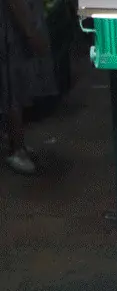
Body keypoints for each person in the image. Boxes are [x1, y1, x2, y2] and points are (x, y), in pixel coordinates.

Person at [2, 0, 57, 174]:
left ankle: (18, 144)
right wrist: (31, 32)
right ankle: (16, 149)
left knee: (17, 85)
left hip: (17, 26)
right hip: (11, 30)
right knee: (13, 87)